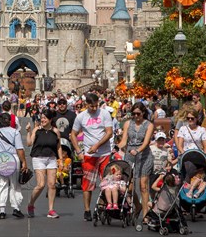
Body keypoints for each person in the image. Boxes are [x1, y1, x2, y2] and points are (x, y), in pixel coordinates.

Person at [70, 92, 114, 222]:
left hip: (104, 153)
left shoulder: (104, 114)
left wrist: (97, 145)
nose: (94, 109)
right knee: (87, 183)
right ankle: (87, 210)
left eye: (96, 106)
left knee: (107, 182)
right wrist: (78, 151)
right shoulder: (81, 117)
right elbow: (73, 134)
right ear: (86, 104)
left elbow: (109, 133)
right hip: (89, 155)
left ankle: (104, 205)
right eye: (92, 106)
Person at [0, 112, 29, 220]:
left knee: (0, 184)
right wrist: (24, 162)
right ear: (9, 121)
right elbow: (19, 149)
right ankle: (16, 208)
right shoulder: (15, 132)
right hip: (13, 159)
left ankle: (2, 210)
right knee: (15, 184)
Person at [118, 101, 154, 222]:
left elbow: (146, 142)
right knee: (129, 187)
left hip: (144, 155)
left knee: (143, 185)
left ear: (143, 113)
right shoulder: (128, 123)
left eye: (138, 114)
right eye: (133, 113)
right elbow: (124, 140)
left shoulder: (149, 125)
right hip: (130, 156)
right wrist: (116, 147)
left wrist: (137, 150)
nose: (136, 116)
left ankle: (145, 214)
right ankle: (137, 206)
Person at [26, 109, 63, 219]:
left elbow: (58, 146)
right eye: (41, 118)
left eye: (45, 118)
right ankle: (31, 204)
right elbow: (29, 143)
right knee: (41, 184)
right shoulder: (37, 130)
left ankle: (51, 210)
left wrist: (60, 159)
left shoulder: (55, 131)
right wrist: (28, 131)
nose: (42, 120)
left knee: (51, 184)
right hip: (38, 158)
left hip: (51, 158)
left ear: (50, 120)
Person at [176, 109, 206, 182]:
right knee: (189, 165)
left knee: (195, 165)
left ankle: (189, 181)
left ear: (196, 119)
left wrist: (205, 154)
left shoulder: (202, 130)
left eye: (192, 118)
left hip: (198, 155)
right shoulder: (183, 129)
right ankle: (188, 181)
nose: (190, 120)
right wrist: (182, 152)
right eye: (188, 118)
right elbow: (179, 144)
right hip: (186, 154)